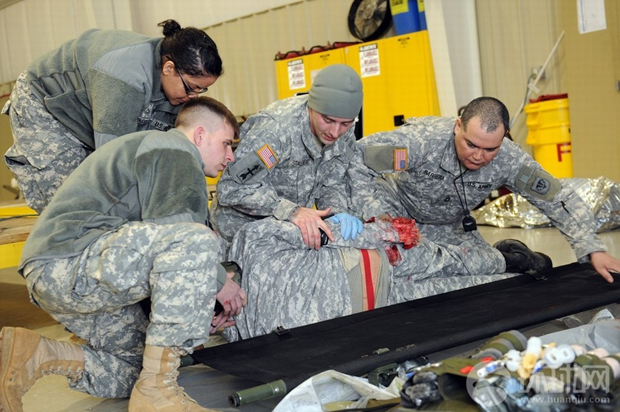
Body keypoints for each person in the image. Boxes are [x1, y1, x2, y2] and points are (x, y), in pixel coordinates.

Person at [0, 97, 247, 411]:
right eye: (226, 144)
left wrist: (192, 305)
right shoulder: (175, 150)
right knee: (197, 239)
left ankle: (37, 354)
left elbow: (158, 255)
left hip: (68, 275)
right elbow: (183, 239)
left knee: (140, 368)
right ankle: (157, 394)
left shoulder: (156, 150)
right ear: (200, 135)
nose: (230, 156)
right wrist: (219, 285)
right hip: (68, 263)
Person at [348, 96, 620, 289]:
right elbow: (356, 159)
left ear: (504, 137)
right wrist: (376, 216)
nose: (478, 156)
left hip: (448, 226)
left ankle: (509, 257)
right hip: (399, 214)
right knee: (395, 266)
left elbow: (558, 199)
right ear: (458, 126)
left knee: (486, 284)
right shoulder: (423, 140)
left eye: (490, 149)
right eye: (470, 144)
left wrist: (592, 248)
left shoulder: (510, 159)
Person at [3, 19, 223, 214]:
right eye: (191, 88)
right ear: (168, 68)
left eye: (201, 90)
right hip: (45, 105)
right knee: (70, 201)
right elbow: (113, 162)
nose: (193, 96)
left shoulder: (176, 90)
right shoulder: (123, 78)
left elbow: (169, 159)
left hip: (89, 113)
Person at [211, 64, 364, 250]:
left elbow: (332, 182)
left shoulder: (345, 133)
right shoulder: (276, 131)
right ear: (312, 107)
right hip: (239, 235)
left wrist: (336, 213)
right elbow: (231, 188)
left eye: (345, 124)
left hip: (286, 233)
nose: (335, 132)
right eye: (328, 120)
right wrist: (290, 211)